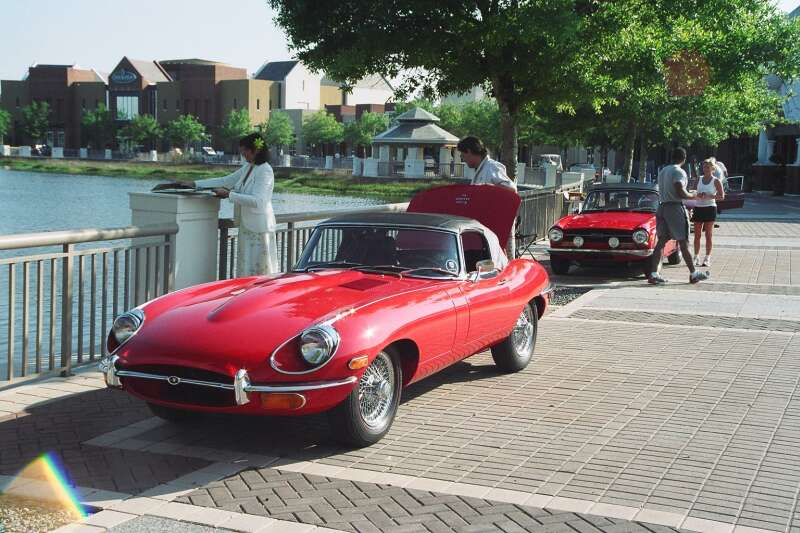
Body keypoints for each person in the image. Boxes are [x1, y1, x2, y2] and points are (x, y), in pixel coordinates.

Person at [171, 133, 279, 276]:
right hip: (247, 227)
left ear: (256, 150)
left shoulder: (265, 170)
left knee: (260, 270)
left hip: (259, 229)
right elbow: (225, 181)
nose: (243, 155)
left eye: (245, 151)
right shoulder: (249, 167)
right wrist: (195, 184)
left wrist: (229, 195)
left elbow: (259, 201)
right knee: (246, 268)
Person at [649, 147, 709, 285]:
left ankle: (654, 274)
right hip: (674, 207)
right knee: (683, 241)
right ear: (684, 158)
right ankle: (694, 274)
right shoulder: (679, 171)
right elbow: (680, 191)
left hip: (662, 206)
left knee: (661, 241)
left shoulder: (663, 170)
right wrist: (694, 195)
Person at [692, 158, 725, 267]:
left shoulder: (716, 181)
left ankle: (707, 258)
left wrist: (711, 196)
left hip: (710, 208)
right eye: (704, 167)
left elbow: (722, 197)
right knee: (697, 235)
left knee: (708, 235)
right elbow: (692, 193)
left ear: (712, 168)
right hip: (698, 208)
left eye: (707, 167)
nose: (705, 169)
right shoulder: (698, 179)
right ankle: (696, 256)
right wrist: (698, 195)